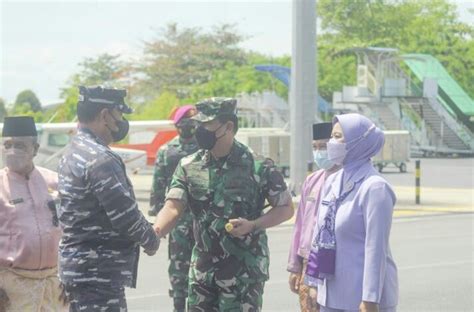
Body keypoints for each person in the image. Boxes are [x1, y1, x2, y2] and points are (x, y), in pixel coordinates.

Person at [153, 97, 294, 311]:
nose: (199, 130)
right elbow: (173, 206)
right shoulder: (188, 165)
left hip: (243, 274)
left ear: (228, 126)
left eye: (206, 125)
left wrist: (253, 224)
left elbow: (285, 208)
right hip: (202, 272)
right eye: (198, 124)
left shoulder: (259, 166)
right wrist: (155, 231)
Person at [57, 86, 159, 312]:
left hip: (80, 270)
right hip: (97, 275)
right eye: (119, 115)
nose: (121, 122)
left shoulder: (73, 151)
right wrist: (151, 240)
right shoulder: (100, 158)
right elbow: (125, 216)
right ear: (105, 115)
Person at [305, 113, 398, 312]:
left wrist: (370, 299)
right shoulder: (332, 181)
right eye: (332, 136)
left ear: (358, 142)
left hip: (361, 300)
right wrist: (312, 282)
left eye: (338, 137)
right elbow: (319, 234)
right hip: (330, 296)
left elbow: (376, 248)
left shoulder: (375, 188)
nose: (331, 142)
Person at [0, 116, 67, 312]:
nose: (12, 151)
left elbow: (74, 230)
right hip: (11, 289)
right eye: (7, 144)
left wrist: (68, 277)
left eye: (19, 145)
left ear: (35, 149)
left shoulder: (55, 182)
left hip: (53, 286)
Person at [148, 105, 200, 312]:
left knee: (202, 267)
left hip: (199, 217)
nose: (187, 127)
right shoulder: (166, 151)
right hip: (176, 218)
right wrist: (157, 217)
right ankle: (179, 307)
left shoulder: (203, 149)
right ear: (177, 126)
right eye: (184, 123)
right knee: (178, 268)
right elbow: (158, 185)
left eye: (191, 123)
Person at [287, 122, 340, 312]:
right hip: (308, 262)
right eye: (315, 147)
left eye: (324, 146)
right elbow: (300, 225)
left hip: (334, 262)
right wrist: (295, 266)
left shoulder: (347, 179)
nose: (319, 152)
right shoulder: (312, 180)